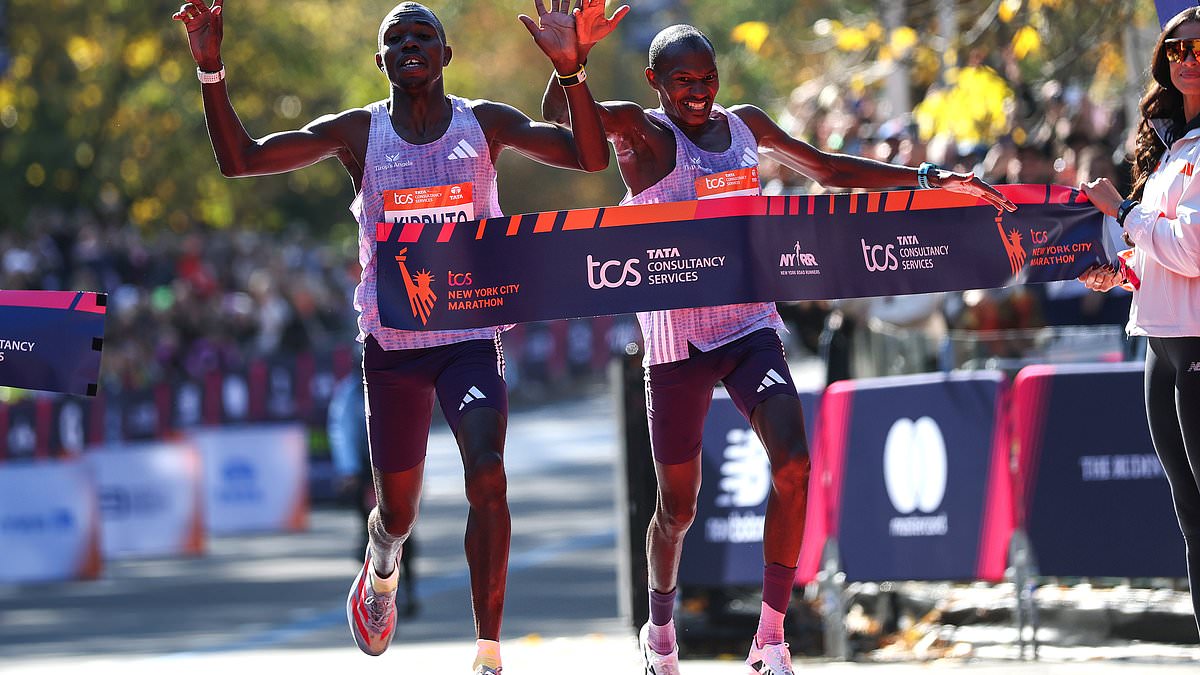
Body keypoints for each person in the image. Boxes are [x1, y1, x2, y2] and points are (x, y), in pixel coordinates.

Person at [542, 10, 1014, 674]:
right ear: (654, 82)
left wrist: (930, 181)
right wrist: (571, 66)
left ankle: (769, 639)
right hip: (676, 339)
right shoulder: (639, 132)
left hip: (747, 325)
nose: (699, 92)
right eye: (683, 82)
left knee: (793, 463)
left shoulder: (744, 127)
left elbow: (825, 168)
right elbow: (565, 126)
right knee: (677, 506)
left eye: (708, 78)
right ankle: (661, 629)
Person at [173, 1, 609, 671]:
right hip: (395, 349)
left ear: (446, 55)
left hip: (468, 336)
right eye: (396, 38)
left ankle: (488, 652)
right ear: (380, 61)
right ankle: (382, 566)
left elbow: (586, 154)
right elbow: (242, 161)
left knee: (488, 473)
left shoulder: (483, 123)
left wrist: (572, 70)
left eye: (424, 35)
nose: (410, 43)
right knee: (397, 511)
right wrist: (210, 70)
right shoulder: (358, 134)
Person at [1078, 6, 1200, 636]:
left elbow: (1192, 248)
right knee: (1189, 512)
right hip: (1161, 340)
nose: (1188, 60)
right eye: (1178, 50)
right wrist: (1120, 271)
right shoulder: (1170, 140)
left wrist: (1122, 209)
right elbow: (1162, 255)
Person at [328, 358, 418, 618]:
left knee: (406, 532)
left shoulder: (396, 384)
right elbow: (341, 431)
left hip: (397, 467)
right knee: (372, 531)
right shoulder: (349, 393)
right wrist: (348, 470)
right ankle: (371, 590)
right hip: (365, 471)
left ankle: (408, 590)